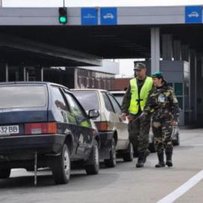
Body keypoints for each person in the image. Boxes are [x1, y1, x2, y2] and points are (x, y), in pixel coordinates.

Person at [142, 72, 179, 168]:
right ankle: (161, 161)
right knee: (157, 140)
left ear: (160, 79)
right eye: (152, 79)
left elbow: (175, 105)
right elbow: (149, 105)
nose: (153, 81)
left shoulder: (169, 90)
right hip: (156, 119)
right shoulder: (152, 91)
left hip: (167, 118)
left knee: (167, 138)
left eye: (154, 79)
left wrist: (175, 118)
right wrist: (145, 113)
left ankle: (169, 160)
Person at [121, 62, 153, 168]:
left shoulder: (150, 81)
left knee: (143, 136)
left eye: (139, 70)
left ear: (145, 70)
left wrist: (148, 110)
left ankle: (141, 158)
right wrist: (124, 111)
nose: (137, 72)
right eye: (136, 70)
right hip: (133, 113)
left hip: (145, 112)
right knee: (132, 136)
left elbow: (152, 97)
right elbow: (127, 97)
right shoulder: (132, 82)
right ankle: (144, 151)